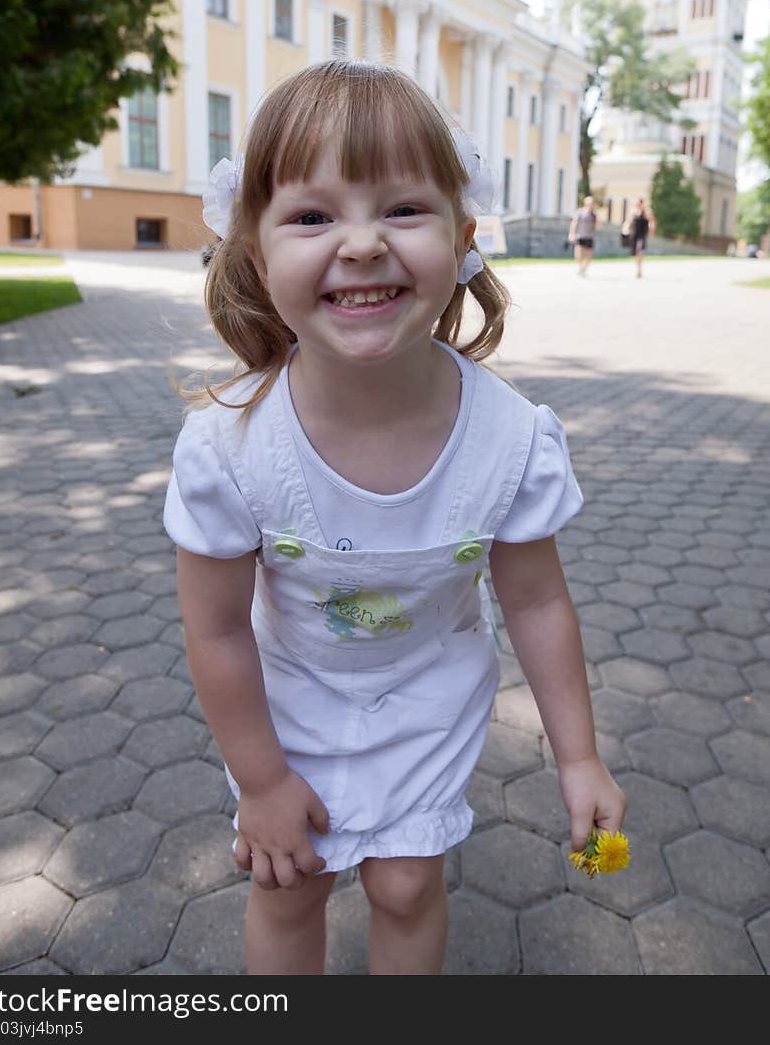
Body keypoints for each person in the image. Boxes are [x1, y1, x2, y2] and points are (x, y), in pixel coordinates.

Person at [163, 60, 626, 977]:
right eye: (313, 215)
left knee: (408, 885)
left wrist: (579, 759)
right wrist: (261, 783)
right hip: (285, 698)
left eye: (402, 210)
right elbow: (215, 629)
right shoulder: (227, 447)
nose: (364, 243)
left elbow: (535, 605)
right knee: (287, 882)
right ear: (255, 250)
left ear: (462, 238)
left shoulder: (512, 439)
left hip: (427, 690)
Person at [624, 197, 656, 278]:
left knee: (640, 251)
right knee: (634, 253)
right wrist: (625, 228)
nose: (637, 205)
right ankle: (638, 267)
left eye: (638, 203)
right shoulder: (633, 211)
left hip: (642, 234)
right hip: (634, 234)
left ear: (642, 203)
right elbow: (628, 221)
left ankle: (639, 270)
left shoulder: (647, 211)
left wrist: (651, 230)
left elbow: (651, 221)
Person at [567, 195, 598, 275]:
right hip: (580, 235)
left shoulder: (594, 214)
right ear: (585, 203)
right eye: (589, 202)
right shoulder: (580, 212)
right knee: (578, 253)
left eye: (592, 203)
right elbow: (574, 223)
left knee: (589, 255)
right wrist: (571, 233)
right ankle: (580, 267)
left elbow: (597, 225)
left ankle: (584, 268)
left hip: (590, 236)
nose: (591, 204)